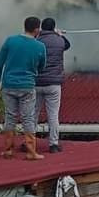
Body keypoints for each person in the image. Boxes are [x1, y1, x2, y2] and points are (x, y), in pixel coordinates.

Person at [0, 17, 46, 161]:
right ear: (36, 29)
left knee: (10, 116)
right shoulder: (40, 46)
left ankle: (8, 151)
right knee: (28, 118)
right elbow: (42, 66)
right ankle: (31, 152)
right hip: (27, 86)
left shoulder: (10, 41)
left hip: (8, 84)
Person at [36, 16, 70, 154]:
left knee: (32, 114)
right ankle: (53, 144)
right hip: (54, 84)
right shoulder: (59, 40)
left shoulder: (37, 41)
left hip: (37, 82)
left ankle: (29, 143)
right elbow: (67, 45)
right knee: (53, 115)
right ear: (53, 27)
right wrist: (59, 34)